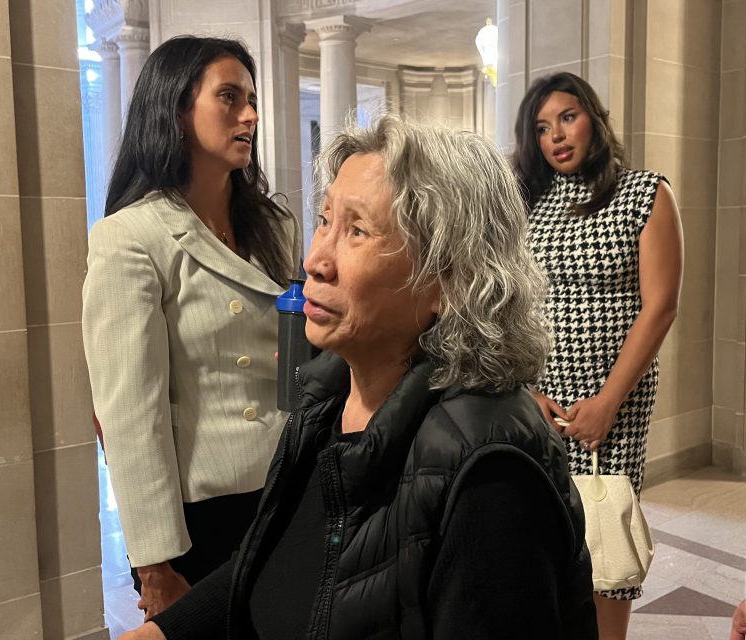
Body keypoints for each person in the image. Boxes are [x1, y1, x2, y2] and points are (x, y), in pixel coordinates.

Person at [118, 115, 598, 639]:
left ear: (450, 279)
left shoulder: (490, 473)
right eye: (325, 220)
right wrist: (162, 633)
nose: (315, 261)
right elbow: (273, 562)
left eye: (357, 231)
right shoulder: (324, 399)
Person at [82, 36, 301, 620]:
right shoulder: (131, 236)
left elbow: (296, 356)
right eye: (229, 97)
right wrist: (154, 565)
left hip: (288, 486)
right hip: (198, 512)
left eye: (252, 100)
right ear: (176, 109)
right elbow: (131, 413)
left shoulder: (275, 225)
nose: (250, 116)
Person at [513, 71, 683, 640]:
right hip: (537, 401)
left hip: (614, 402)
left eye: (567, 117)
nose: (556, 136)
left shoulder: (644, 193)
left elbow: (660, 307)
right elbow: (510, 303)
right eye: (542, 128)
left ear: (594, 119)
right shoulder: (526, 204)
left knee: (605, 540)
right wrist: (524, 392)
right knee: (540, 537)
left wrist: (607, 403)